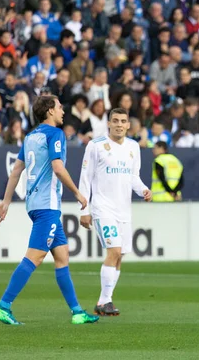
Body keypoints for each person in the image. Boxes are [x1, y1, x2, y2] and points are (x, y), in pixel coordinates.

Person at [0, 95, 98, 325]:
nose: (63, 111)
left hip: (36, 204)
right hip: (46, 206)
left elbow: (16, 170)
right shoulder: (54, 134)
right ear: (49, 111)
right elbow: (58, 168)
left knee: (62, 255)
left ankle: (77, 312)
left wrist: (6, 202)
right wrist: (78, 194)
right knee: (35, 256)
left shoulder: (30, 136)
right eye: (59, 107)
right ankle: (3, 306)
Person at [78, 108, 152, 316]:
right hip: (103, 208)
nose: (119, 124)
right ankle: (104, 301)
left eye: (123, 121)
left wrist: (143, 190)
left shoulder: (133, 147)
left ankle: (105, 301)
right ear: (108, 124)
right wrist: (84, 209)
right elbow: (85, 177)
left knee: (120, 256)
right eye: (115, 121)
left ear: (129, 125)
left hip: (124, 210)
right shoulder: (95, 146)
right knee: (114, 252)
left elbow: (133, 177)